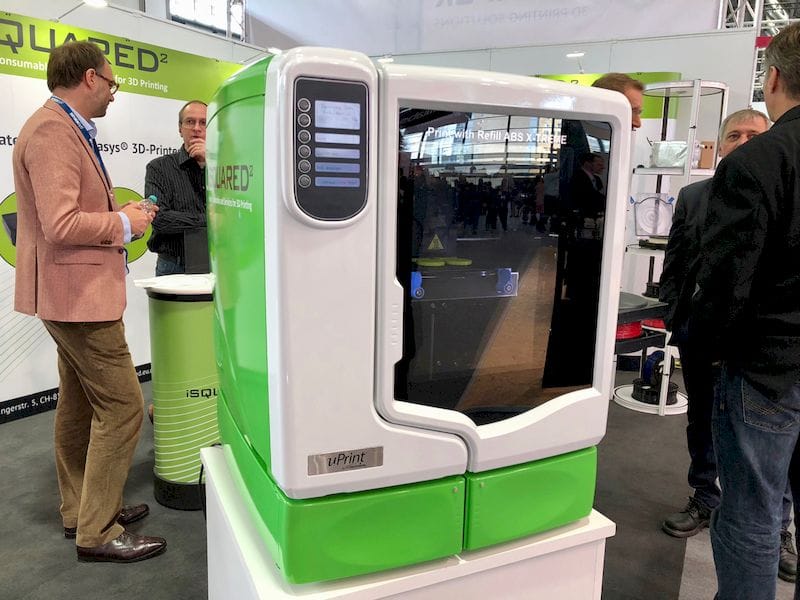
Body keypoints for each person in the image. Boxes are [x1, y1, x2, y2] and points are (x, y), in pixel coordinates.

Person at [12, 41, 166, 563]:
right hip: (77, 298)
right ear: (90, 78)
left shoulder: (61, 127)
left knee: (79, 405)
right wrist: (124, 222)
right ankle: (98, 531)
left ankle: (82, 510)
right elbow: (61, 225)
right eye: (112, 82)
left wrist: (122, 214)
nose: (114, 93)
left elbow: (66, 214)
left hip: (72, 295)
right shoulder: (53, 131)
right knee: (123, 408)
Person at [659, 107, 797, 582]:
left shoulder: (781, 185)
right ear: (719, 146)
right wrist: (677, 318)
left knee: (771, 449)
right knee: (702, 423)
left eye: (752, 134)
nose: (742, 141)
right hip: (703, 339)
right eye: (733, 135)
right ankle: (704, 496)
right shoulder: (694, 196)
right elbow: (677, 263)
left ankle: (780, 531)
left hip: (760, 353)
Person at [692, 22, 800, 599]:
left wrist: (706, 352)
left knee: (753, 514)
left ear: (772, 77)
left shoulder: (758, 163)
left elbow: (726, 282)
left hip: (766, 372)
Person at [145, 100, 208, 276]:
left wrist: (211, 162)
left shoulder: (225, 168)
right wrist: (209, 220)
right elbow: (159, 218)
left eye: (203, 122)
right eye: (190, 122)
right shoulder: (159, 168)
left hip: (219, 262)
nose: (197, 128)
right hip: (174, 265)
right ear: (180, 129)